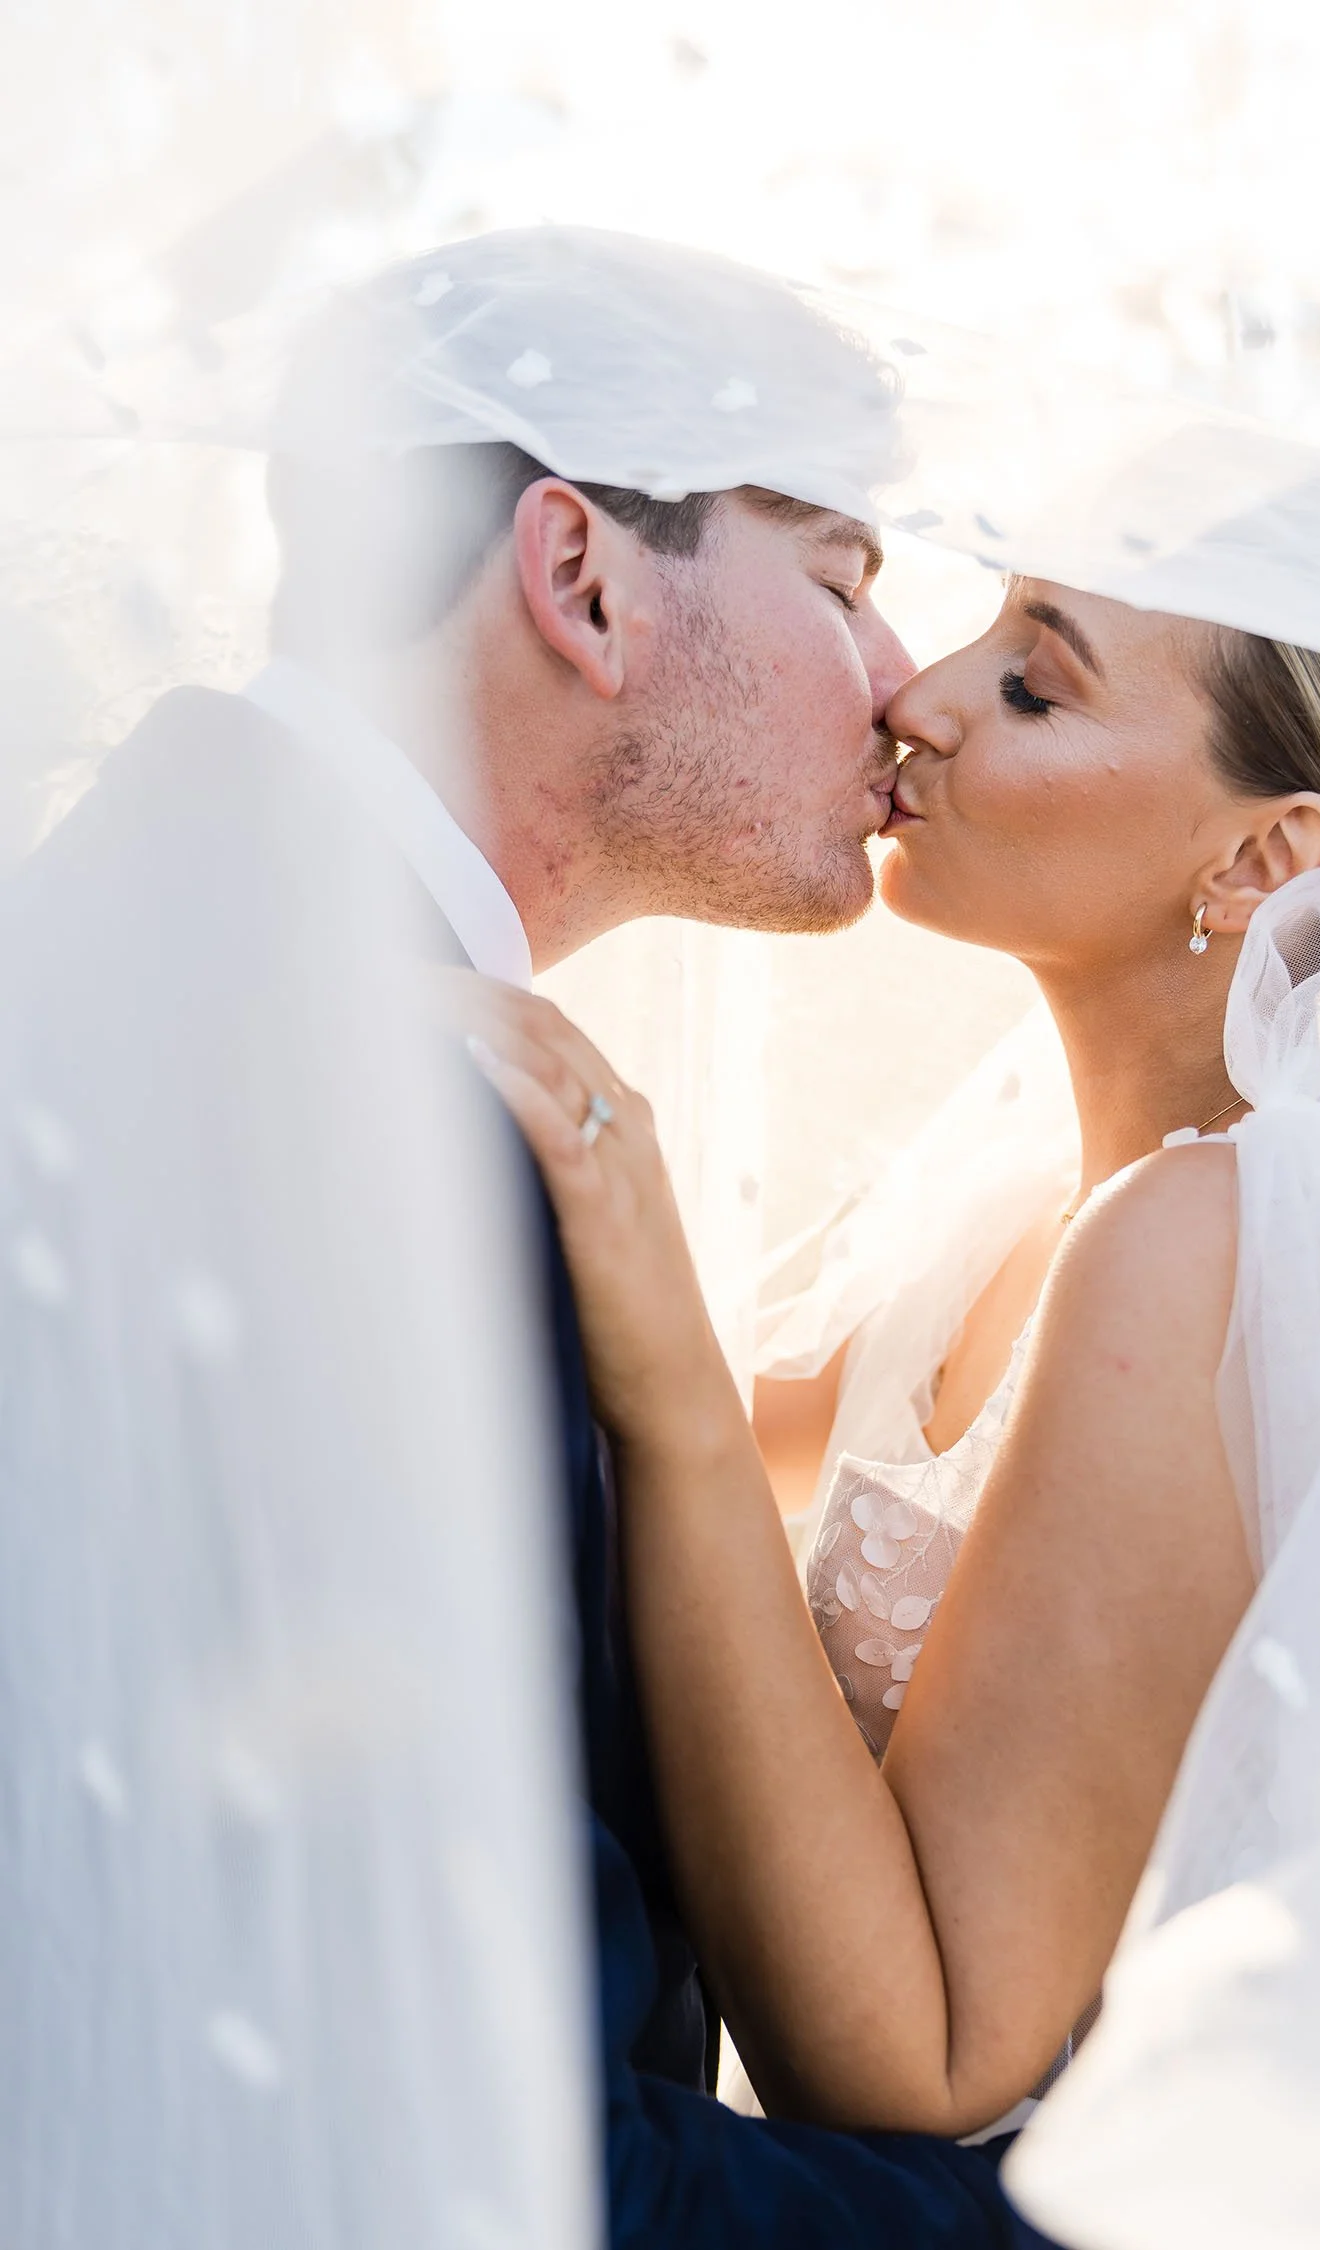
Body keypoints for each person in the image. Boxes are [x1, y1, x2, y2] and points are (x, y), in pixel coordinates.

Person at [12, 229, 1055, 2246]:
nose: (903, 679)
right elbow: (435, 2145)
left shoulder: (225, 949)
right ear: (580, 578)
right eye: (842, 578)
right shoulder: (329, 1098)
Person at [456, 560, 1320, 2175]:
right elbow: (633, 1495)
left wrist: (655, 1308)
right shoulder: (1010, 1210)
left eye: (1033, 685)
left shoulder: (1214, 1245)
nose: (918, 697)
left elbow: (917, 2064)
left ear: (1262, 857)